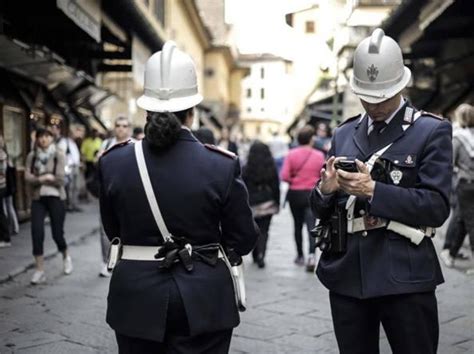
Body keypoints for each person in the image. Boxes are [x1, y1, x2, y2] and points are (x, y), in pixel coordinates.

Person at [98, 41, 258, 353]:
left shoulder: (113, 162)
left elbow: (113, 231)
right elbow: (244, 238)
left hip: (135, 297)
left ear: (146, 107)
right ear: (192, 111)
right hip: (204, 297)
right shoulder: (220, 164)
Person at [310, 28, 452, 354]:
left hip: (405, 271)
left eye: (383, 97)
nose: (374, 105)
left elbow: (437, 206)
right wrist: (326, 190)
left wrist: (374, 191)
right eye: (367, 97)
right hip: (348, 272)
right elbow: (322, 207)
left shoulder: (430, 130)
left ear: (401, 85)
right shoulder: (344, 133)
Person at [25, 128, 73, 284]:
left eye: (46, 136)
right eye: (40, 137)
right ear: (37, 139)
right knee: (36, 232)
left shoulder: (59, 155)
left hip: (56, 197)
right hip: (38, 198)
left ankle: (66, 257)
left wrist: (38, 177)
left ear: (51, 138)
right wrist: (44, 177)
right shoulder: (32, 156)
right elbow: (27, 177)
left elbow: (60, 179)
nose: (43, 139)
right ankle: (39, 270)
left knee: (57, 233)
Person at [281, 125, 325, 271]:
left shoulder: (291, 154)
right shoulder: (319, 155)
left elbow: (285, 176)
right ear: (311, 139)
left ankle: (299, 255)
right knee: (312, 226)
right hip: (311, 194)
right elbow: (323, 176)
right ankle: (312, 256)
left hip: (295, 194)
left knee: (297, 225)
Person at [97, 116, 133, 278]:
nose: (121, 129)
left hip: (128, 193)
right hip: (108, 192)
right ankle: (106, 261)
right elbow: (99, 164)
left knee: (127, 227)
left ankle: (124, 259)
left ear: (129, 128)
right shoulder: (106, 145)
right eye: (118, 125)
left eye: (124, 126)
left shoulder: (135, 146)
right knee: (104, 229)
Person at [439, 103, 474, 271]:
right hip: (469, 184)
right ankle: (451, 251)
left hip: (464, 184)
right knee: (462, 218)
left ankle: (450, 251)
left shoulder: (458, 137)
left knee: (466, 220)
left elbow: (449, 162)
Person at [242, 141, 280, 268]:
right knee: (264, 231)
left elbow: (242, 187)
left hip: (251, 204)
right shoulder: (271, 167)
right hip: (267, 203)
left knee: (253, 230)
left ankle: (255, 253)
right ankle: (261, 255)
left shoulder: (246, 168)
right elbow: (276, 186)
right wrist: (277, 202)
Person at [49, 123, 82, 212]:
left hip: (75, 166)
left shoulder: (73, 143)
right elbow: (62, 155)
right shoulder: (64, 142)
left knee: (76, 187)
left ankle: (74, 204)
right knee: (70, 187)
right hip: (69, 167)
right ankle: (70, 204)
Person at [0, 133, 10, 248]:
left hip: (0, 185)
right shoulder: (3, 153)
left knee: (1, 212)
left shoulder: (1, 154)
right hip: (2, 185)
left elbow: (2, 171)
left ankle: (5, 237)